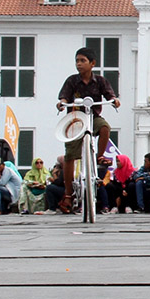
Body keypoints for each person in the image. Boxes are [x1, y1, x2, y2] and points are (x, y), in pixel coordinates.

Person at [56, 46, 121, 212]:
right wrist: (62, 103)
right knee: (70, 154)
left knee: (105, 128)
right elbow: (64, 96)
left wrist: (114, 100)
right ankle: (69, 194)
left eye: (83, 61)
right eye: (77, 61)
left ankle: (99, 157)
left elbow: (110, 95)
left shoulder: (100, 81)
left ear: (92, 63)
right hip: (76, 119)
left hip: (93, 118)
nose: (79, 64)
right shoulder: (72, 81)